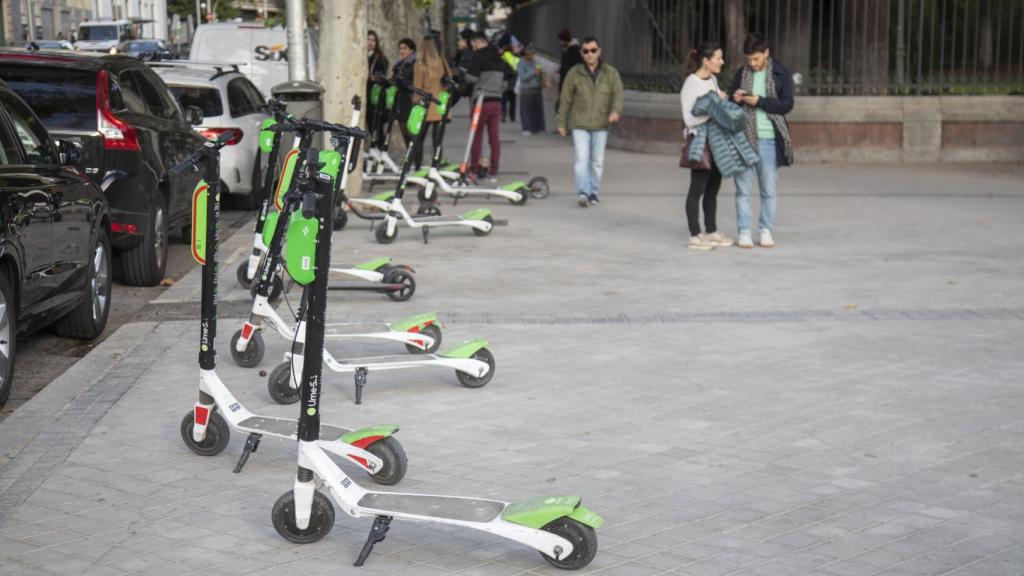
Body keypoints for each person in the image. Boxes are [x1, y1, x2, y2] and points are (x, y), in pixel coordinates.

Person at [729, 33, 795, 249]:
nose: (752, 63)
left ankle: (766, 230)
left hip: (769, 139)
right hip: (744, 138)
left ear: (766, 53)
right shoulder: (741, 74)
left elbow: (786, 105)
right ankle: (744, 232)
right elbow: (731, 102)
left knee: (768, 190)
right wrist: (736, 99)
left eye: (756, 59)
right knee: (743, 190)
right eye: (748, 59)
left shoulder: (780, 73)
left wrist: (760, 102)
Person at [557, 36, 623, 207]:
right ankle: (583, 192)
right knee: (581, 159)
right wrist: (561, 122)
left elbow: (618, 95)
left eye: (593, 50)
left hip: (601, 124)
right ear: (581, 53)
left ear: (599, 51)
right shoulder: (574, 73)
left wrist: (615, 111)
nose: (590, 54)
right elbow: (565, 99)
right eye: (586, 51)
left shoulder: (611, 72)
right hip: (579, 124)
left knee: (597, 161)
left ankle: (594, 191)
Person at [680, 43, 733, 250]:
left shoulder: (712, 79)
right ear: (705, 60)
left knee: (713, 189)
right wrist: (715, 105)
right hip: (700, 143)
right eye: (718, 58)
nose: (722, 61)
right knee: (697, 189)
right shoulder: (691, 83)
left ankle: (711, 230)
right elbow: (689, 118)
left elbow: (717, 105)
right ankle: (694, 234)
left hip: (717, 141)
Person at [464, 31, 506, 181]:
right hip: (496, 102)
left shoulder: (479, 56)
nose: (472, 47)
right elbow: (506, 80)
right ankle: (494, 172)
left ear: (477, 42)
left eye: (472, 44)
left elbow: (471, 78)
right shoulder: (500, 57)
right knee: (494, 138)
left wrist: (464, 73)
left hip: (481, 101)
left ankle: (474, 171)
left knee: (476, 137)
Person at [412, 35, 453, 170]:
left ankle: (418, 167)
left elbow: (417, 87)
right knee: (437, 141)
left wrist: (414, 103)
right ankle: (436, 167)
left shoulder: (419, 64)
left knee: (418, 139)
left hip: (426, 104)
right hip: (440, 103)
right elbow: (450, 77)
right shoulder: (441, 61)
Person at [392, 38, 417, 149]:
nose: (402, 50)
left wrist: (401, 82)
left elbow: (412, 82)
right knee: (403, 129)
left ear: (411, 50)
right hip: (400, 100)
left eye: (405, 48)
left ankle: (413, 157)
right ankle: (409, 154)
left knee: (410, 130)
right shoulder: (399, 64)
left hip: (409, 100)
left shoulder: (413, 64)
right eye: (400, 48)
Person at [516, 44, 545, 135]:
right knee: (526, 110)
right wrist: (534, 72)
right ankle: (526, 128)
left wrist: (540, 74)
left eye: (533, 54)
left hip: (536, 88)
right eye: (530, 54)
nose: (532, 56)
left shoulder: (536, 62)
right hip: (526, 89)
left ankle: (538, 128)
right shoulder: (521, 63)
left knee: (537, 110)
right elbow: (523, 77)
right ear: (525, 54)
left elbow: (539, 73)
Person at [366, 31, 389, 136]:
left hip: (375, 94)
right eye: (368, 39)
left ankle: (378, 147)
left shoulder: (380, 58)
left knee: (376, 122)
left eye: (373, 40)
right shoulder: (361, 55)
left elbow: (382, 76)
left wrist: (373, 78)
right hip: (365, 94)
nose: (370, 42)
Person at [556, 29, 582, 114]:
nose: (559, 42)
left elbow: (574, 66)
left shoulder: (574, 50)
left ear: (565, 40)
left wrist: (564, 68)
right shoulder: (566, 49)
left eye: (561, 40)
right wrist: (561, 68)